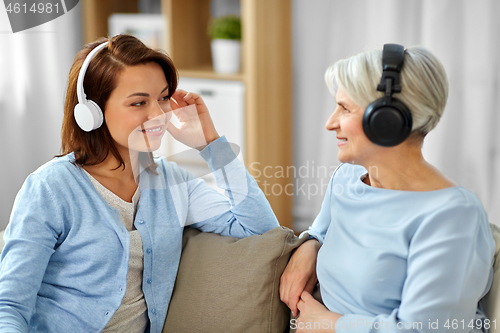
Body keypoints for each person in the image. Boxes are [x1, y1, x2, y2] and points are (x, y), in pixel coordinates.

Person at [0, 34, 279, 332]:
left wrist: (210, 144)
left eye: (162, 98)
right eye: (139, 102)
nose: (158, 114)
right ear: (91, 113)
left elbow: (261, 229)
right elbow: (10, 306)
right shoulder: (50, 188)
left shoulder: (173, 182)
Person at [280, 44, 496, 333]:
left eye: (344, 108)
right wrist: (309, 244)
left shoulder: (454, 216)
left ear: (386, 121)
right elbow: (321, 228)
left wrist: (331, 325)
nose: (330, 123)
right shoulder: (347, 178)